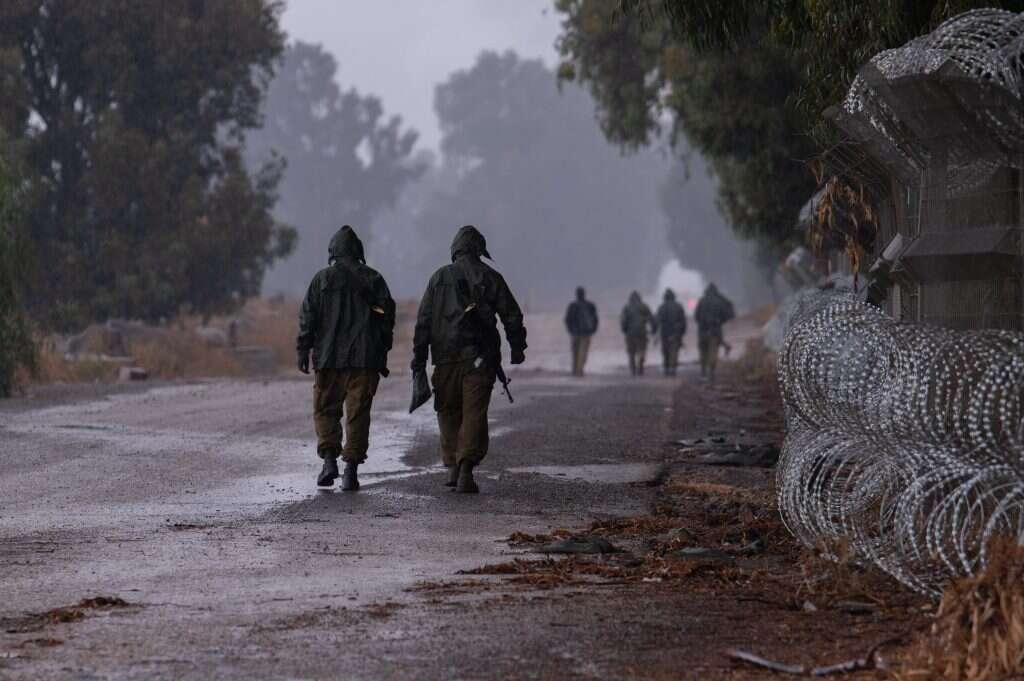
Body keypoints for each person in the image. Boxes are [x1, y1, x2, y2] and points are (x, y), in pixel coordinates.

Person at [411, 225, 527, 494]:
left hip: (444, 359)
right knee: (474, 412)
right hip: (480, 358)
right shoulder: (491, 276)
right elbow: (512, 315)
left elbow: (423, 322)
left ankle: (453, 465)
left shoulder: (438, 278)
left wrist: (418, 360)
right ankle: (465, 468)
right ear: (479, 250)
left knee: (448, 411)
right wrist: (517, 348)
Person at [296, 225, 396, 491]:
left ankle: (329, 460)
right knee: (358, 414)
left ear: (333, 252)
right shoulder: (374, 279)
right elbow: (388, 318)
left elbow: (307, 318)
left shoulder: (321, 280)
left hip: (328, 359)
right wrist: (382, 349)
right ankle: (351, 471)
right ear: (358, 251)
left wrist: (302, 351)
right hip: (364, 360)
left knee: (326, 409)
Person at [694, 283, 735, 382]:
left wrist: (702, 323)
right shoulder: (719, 301)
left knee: (703, 352)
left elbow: (696, 316)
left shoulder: (701, 301)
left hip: (702, 331)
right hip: (715, 331)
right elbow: (729, 314)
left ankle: (703, 372)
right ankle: (711, 372)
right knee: (713, 352)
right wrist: (720, 321)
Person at [564, 286, 599, 376]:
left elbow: (567, 319)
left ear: (577, 294)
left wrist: (570, 330)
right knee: (583, 353)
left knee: (575, 353)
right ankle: (579, 370)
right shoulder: (590, 305)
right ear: (584, 294)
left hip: (575, 334)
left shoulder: (572, 306)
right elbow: (595, 319)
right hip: (586, 333)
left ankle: (575, 370)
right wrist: (593, 330)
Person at [620, 291, 656, 376]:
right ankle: (641, 361)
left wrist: (624, 330)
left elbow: (623, 321)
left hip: (630, 333)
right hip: (642, 332)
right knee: (642, 349)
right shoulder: (644, 307)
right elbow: (651, 319)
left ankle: (633, 369)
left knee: (631, 352)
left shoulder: (627, 307)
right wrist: (653, 329)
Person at [656, 288, 687, 376]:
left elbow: (657, 320)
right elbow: (683, 321)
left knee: (665, 351)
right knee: (674, 351)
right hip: (676, 333)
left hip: (665, 332)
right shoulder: (679, 306)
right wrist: (682, 333)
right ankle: (673, 368)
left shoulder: (662, 307)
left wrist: (655, 331)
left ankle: (666, 368)